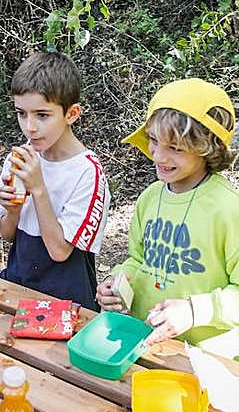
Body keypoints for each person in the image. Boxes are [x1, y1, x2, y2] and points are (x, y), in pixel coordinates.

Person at [97, 78, 239, 358]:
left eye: (174, 148)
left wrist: (193, 310)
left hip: (202, 358)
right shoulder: (150, 197)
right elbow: (138, 259)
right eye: (153, 140)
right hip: (143, 343)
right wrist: (118, 280)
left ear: (206, 148)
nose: (158, 156)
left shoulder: (228, 209)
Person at [0, 52, 110, 309]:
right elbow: (7, 235)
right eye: (21, 113)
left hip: (68, 300)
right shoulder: (19, 158)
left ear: (72, 113)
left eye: (42, 115)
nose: (29, 127)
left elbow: (60, 252)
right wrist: (12, 212)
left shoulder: (87, 172)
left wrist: (38, 189)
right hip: (18, 286)